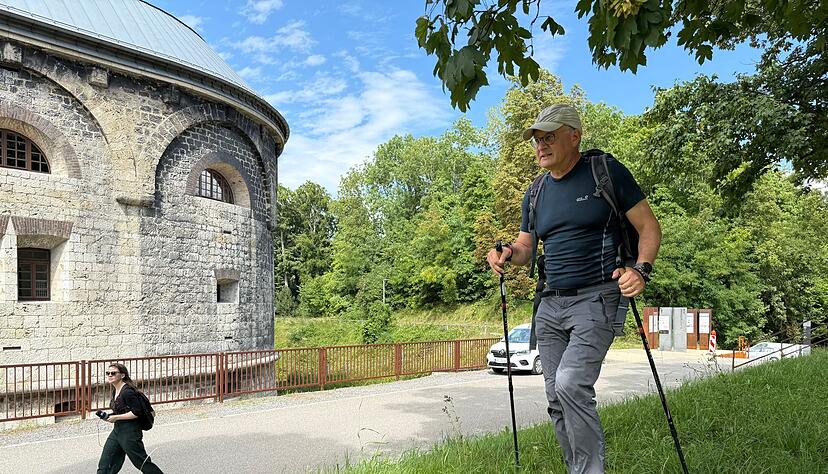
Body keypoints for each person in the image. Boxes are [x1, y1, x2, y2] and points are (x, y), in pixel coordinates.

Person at [486, 104, 661, 474]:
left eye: (549, 137)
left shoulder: (605, 172)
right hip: (549, 305)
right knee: (555, 396)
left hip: (597, 297)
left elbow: (648, 227)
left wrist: (641, 270)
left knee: (570, 384)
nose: (540, 146)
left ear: (574, 136)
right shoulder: (535, 192)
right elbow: (525, 249)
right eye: (536, 139)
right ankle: (577, 468)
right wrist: (504, 253)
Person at [97, 363, 164, 474]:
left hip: (130, 432)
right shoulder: (116, 390)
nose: (109, 375)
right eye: (107, 373)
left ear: (122, 375)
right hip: (117, 430)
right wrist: (111, 416)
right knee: (106, 463)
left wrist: (116, 417)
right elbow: (123, 409)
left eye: (113, 373)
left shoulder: (127, 391)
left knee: (141, 462)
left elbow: (137, 412)